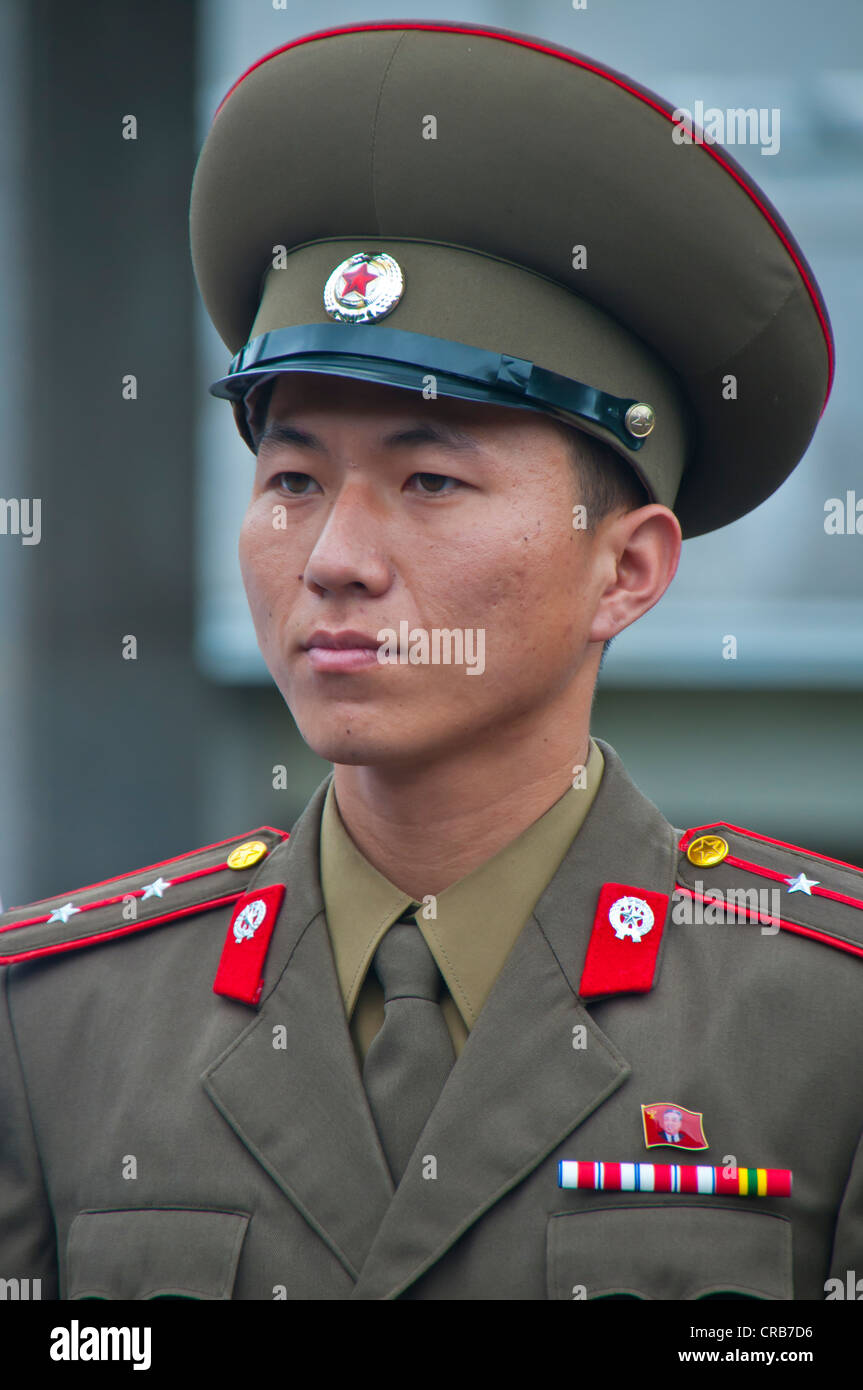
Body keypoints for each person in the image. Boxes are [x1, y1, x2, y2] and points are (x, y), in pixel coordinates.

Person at [1, 20, 860, 1302]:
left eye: (430, 478)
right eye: (291, 476)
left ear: (624, 569)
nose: (335, 555)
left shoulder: (818, 1027)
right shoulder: (60, 1027)